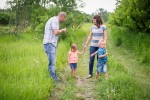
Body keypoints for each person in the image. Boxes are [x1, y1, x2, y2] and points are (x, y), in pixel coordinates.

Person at [43, 12, 67, 82]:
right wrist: (62, 30)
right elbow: (56, 32)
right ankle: (55, 80)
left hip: (49, 44)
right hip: (50, 44)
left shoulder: (53, 20)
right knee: (52, 63)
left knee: (51, 62)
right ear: (62, 16)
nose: (64, 20)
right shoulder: (54, 20)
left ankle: (52, 77)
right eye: (64, 18)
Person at [84, 15, 107, 79]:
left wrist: (104, 44)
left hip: (100, 47)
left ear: (97, 19)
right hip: (93, 45)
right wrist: (86, 44)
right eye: (93, 20)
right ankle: (90, 73)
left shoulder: (103, 27)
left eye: (94, 20)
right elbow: (89, 36)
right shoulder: (92, 27)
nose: (93, 21)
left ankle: (98, 73)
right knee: (91, 60)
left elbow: (105, 36)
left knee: (99, 60)